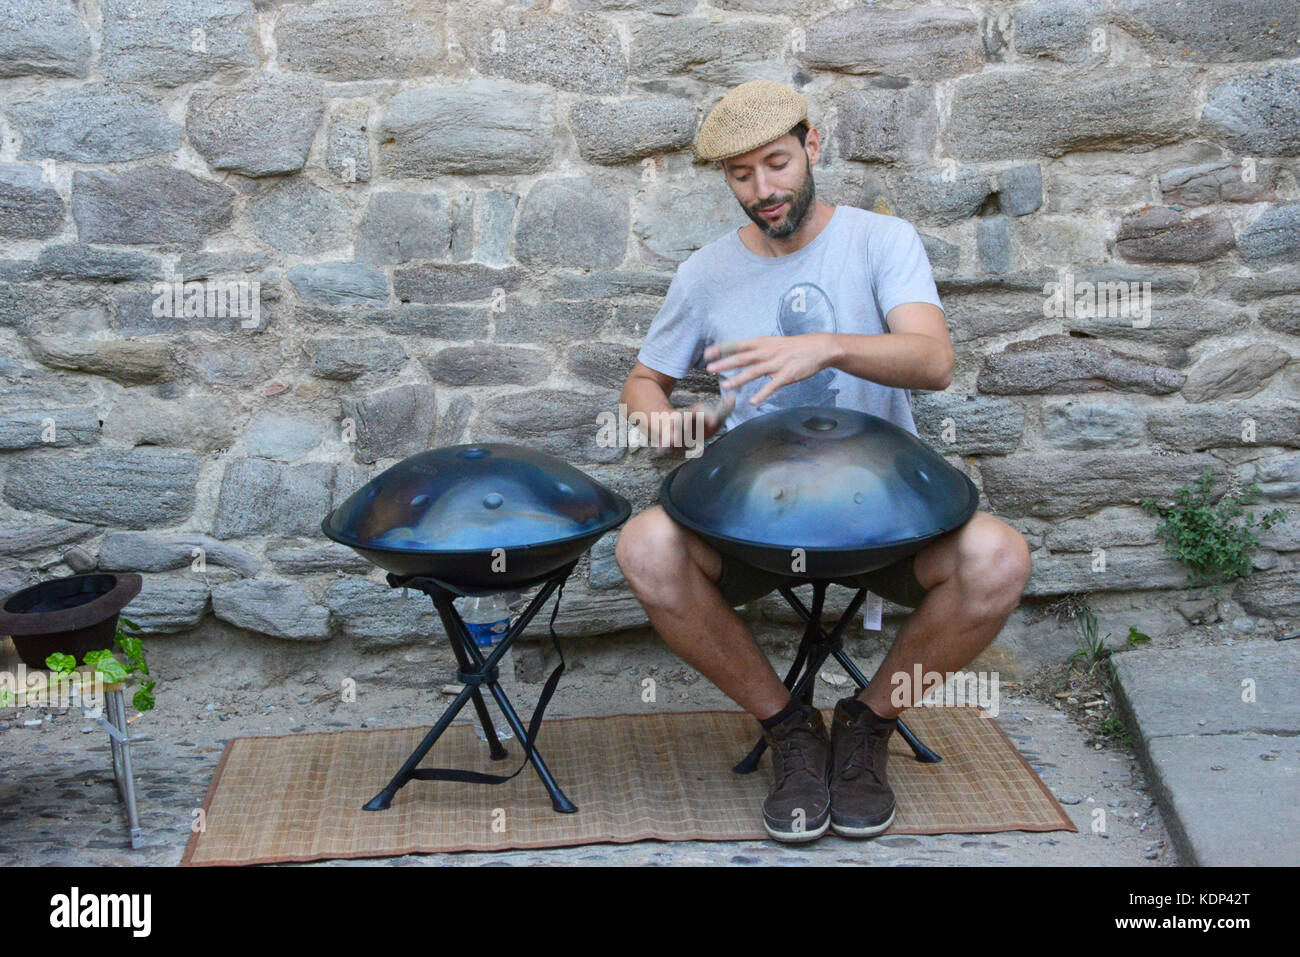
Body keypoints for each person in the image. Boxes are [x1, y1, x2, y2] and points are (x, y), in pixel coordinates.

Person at [614, 80, 1032, 843]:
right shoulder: (706, 272)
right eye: (741, 175)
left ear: (812, 145)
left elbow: (934, 361)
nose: (763, 190)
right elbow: (643, 381)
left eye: (775, 163)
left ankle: (869, 721)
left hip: (882, 522)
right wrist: (667, 424)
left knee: (999, 557)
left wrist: (828, 345)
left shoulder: (881, 241)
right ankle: (788, 728)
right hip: (754, 526)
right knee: (643, 543)